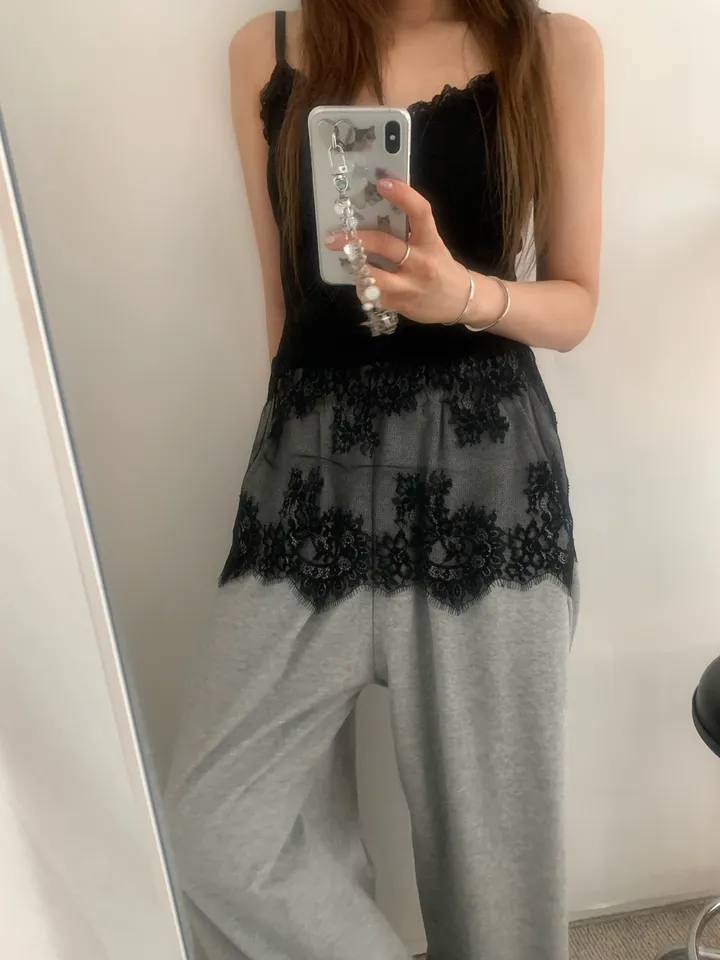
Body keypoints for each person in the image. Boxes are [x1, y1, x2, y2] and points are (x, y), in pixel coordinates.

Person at [164, 3, 604, 959]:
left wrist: (464, 295)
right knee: (213, 833)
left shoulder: (552, 46)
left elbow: (575, 305)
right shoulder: (267, 50)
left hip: (484, 492)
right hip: (309, 487)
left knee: (499, 891)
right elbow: (282, 310)